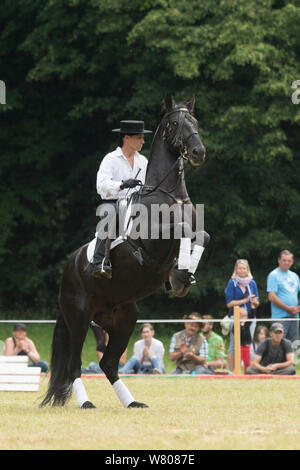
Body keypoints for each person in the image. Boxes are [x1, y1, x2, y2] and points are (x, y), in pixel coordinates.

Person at [92, 120, 152, 279]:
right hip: (115, 203)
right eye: (139, 137)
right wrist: (123, 184)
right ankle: (99, 261)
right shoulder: (110, 159)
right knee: (110, 212)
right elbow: (101, 186)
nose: (143, 141)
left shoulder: (143, 161)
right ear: (127, 138)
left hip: (137, 204)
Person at [225, 259, 259, 371]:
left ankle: (248, 370)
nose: (242, 270)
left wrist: (254, 302)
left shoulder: (252, 283)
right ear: (236, 269)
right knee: (234, 346)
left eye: (244, 268)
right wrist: (245, 300)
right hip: (235, 317)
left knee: (248, 345)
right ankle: (232, 371)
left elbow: (256, 301)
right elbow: (229, 303)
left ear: (247, 269)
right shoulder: (232, 283)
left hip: (250, 317)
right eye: (239, 268)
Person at [267, 250, 300, 353]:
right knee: (278, 345)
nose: (286, 262)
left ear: (292, 261)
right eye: (284, 260)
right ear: (279, 261)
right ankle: (277, 368)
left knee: (293, 345)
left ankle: (291, 368)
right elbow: (272, 296)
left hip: (294, 316)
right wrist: (287, 308)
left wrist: (298, 307)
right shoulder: (273, 275)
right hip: (280, 317)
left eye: (289, 260)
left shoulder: (295, 276)